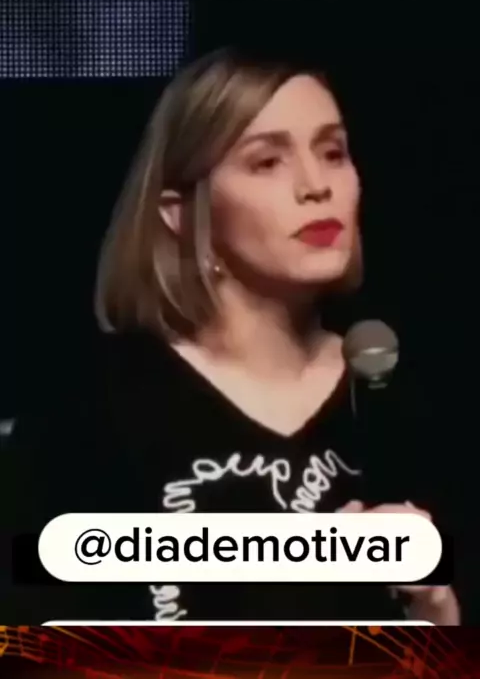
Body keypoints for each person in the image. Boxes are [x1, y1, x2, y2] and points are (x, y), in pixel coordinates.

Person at [5, 48, 459, 623]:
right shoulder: (90, 410)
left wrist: (435, 606)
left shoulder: (414, 402)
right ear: (179, 211)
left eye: (333, 152)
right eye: (267, 162)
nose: (316, 186)